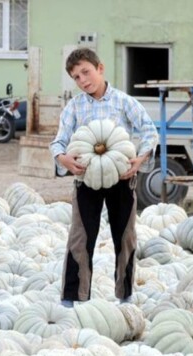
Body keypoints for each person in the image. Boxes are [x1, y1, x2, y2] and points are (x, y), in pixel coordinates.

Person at [49, 48, 158, 307]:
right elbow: (58, 142)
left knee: (125, 237)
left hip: (121, 178)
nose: (82, 80)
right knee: (80, 237)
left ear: (100, 68)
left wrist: (140, 160)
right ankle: (73, 298)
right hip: (86, 180)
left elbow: (149, 132)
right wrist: (63, 159)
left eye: (85, 72)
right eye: (76, 77)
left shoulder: (123, 102)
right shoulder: (74, 107)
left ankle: (125, 295)